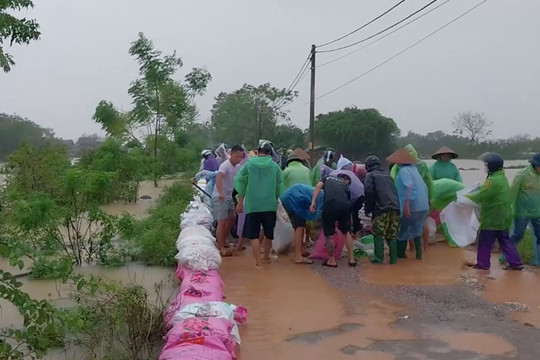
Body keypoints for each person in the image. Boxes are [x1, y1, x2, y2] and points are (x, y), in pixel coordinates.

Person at [465, 152, 523, 270]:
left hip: (492, 217)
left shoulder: (493, 181)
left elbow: (481, 195)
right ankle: (515, 263)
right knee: (505, 241)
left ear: (492, 166)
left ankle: (483, 264)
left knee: (485, 241)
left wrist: (465, 197)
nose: (485, 166)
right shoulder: (501, 177)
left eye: (486, 164)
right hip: (504, 216)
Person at [235, 141, 284, 268]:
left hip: (253, 205)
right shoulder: (274, 167)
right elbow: (280, 184)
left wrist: (240, 201)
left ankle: (258, 263)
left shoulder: (249, 165)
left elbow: (240, 181)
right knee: (268, 233)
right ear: (269, 153)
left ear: (258, 152)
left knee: (254, 235)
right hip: (269, 204)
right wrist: (276, 196)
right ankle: (266, 257)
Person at [388, 149, 429, 260]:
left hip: (412, 205)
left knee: (402, 230)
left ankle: (401, 256)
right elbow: (424, 187)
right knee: (417, 230)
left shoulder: (404, 171)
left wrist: (406, 204)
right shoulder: (415, 170)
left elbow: (409, 186)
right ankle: (419, 256)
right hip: (423, 206)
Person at [310, 174, 357, 268]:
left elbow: (318, 186)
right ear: (344, 179)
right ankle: (351, 259)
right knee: (346, 232)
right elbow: (348, 203)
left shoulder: (326, 177)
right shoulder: (345, 186)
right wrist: (350, 217)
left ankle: (331, 260)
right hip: (343, 206)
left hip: (329, 204)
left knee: (329, 234)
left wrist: (313, 202)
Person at [364, 156, 400, 264]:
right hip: (395, 209)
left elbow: (369, 193)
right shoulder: (388, 176)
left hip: (381, 209)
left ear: (367, 166)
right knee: (392, 235)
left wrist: (368, 209)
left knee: (378, 234)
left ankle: (378, 259)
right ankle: (394, 260)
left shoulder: (370, 175)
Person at [507, 153, 540, 266]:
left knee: (539, 236)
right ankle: (506, 255)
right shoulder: (522, 175)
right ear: (535, 165)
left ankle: (537, 260)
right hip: (522, 211)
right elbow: (512, 192)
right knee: (518, 234)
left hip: (537, 211)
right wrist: (508, 208)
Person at [212, 145, 245, 256]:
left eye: (241, 157)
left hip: (229, 196)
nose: (239, 159)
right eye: (237, 156)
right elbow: (219, 178)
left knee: (232, 218)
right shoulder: (225, 165)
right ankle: (221, 247)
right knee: (221, 222)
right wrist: (220, 192)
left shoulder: (238, 167)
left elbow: (240, 181)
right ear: (231, 154)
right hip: (220, 196)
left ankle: (223, 240)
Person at [280, 184, 324, 264]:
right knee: (299, 226)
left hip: (292, 196)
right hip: (293, 199)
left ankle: (299, 250)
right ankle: (298, 256)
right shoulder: (323, 198)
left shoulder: (322, 194)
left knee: (299, 225)